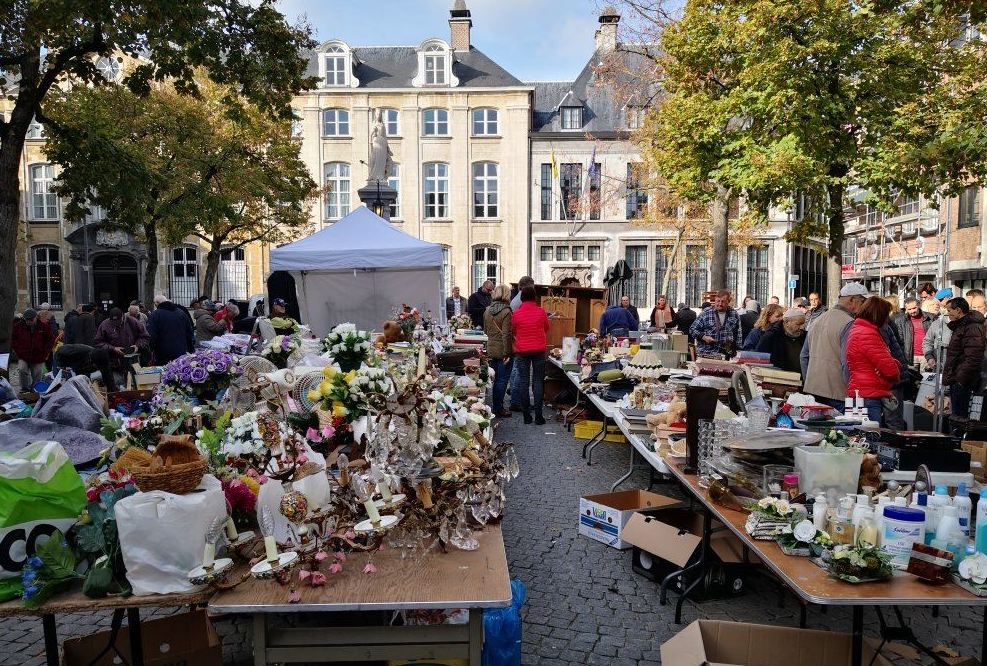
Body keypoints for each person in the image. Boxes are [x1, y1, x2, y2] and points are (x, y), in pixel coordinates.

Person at [800, 282, 869, 410]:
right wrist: (853, 393)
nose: (865, 306)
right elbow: (847, 362)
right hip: (837, 394)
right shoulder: (848, 323)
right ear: (852, 300)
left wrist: (808, 381)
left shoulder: (818, 320)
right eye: (863, 301)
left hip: (813, 389)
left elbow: (804, 356)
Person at [845, 297, 901, 425]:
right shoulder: (868, 334)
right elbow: (890, 370)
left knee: (860, 438)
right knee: (871, 438)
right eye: (886, 314)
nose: (887, 319)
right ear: (879, 314)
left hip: (860, 391)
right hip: (869, 395)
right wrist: (895, 364)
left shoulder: (857, 329)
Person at [942, 297, 986, 421]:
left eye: (950, 310)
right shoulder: (962, 326)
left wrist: (960, 379)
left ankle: (961, 440)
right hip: (958, 378)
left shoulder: (971, 327)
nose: (948, 314)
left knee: (960, 418)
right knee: (956, 417)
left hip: (963, 380)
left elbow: (973, 357)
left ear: (959, 310)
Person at [512, 286, 549, 424]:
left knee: (524, 382)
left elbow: (513, 330)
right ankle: (539, 416)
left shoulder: (516, 313)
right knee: (538, 381)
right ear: (535, 297)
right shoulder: (541, 311)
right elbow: (546, 327)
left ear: (522, 298)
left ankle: (526, 416)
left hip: (522, 351)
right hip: (539, 349)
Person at [483, 284, 513, 417]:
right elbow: (506, 334)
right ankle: (498, 408)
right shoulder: (507, 311)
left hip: (490, 348)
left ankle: (494, 406)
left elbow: (485, 331)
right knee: (501, 380)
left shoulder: (487, 310)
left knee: (493, 378)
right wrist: (507, 353)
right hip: (502, 349)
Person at [689, 289, 742, 358]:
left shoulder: (734, 314)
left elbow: (738, 334)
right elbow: (692, 329)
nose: (720, 304)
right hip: (707, 353)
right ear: (715, 300)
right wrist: (704, 337)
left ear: (728, 302)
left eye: (723, 301)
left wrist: (737, 351)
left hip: (726, 355)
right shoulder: (706, 312)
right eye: (718, 301)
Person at [11, 309, 54, 390]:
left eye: (31, 320)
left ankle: (35, 389)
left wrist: (45, 352)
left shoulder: (44, 327)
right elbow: (13, 339)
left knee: (37, 373)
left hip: (38, 355)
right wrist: (18, 351)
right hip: (23, 354)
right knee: (22, 369)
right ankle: (24, 388)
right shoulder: (18, 326)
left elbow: (50, 340)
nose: (28, 322)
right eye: (26, 320)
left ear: (35, 318)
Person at [755, 308, 806, 375]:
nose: (801, 327)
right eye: (798, 324)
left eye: (803, 324)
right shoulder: (771, 336)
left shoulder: (805, 336)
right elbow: (760, 358)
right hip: (777, 377)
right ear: (787, 322)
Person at [147, 294, 195, 365]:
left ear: (157, 303)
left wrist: (150, 350)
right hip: (181, 352)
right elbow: (189, 333)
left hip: (162, 354)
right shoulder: (181, 313)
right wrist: (191, 349)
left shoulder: (155, 315)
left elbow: (152, 335)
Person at [924, 288, 959, 370]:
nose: (939, 303)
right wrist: (929, 357)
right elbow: (927, 341)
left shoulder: (966, 324)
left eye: (940, 300)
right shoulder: (937, 323)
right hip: (939, 366)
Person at [891, 297, 934, 366]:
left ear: (919, 306)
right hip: (909, 357)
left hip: (927, 356)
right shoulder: (900, 320)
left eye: (914, 308)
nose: (912, 311)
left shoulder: (930, 317)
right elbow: (900, 340)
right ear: (906, 309)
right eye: (909, 309)